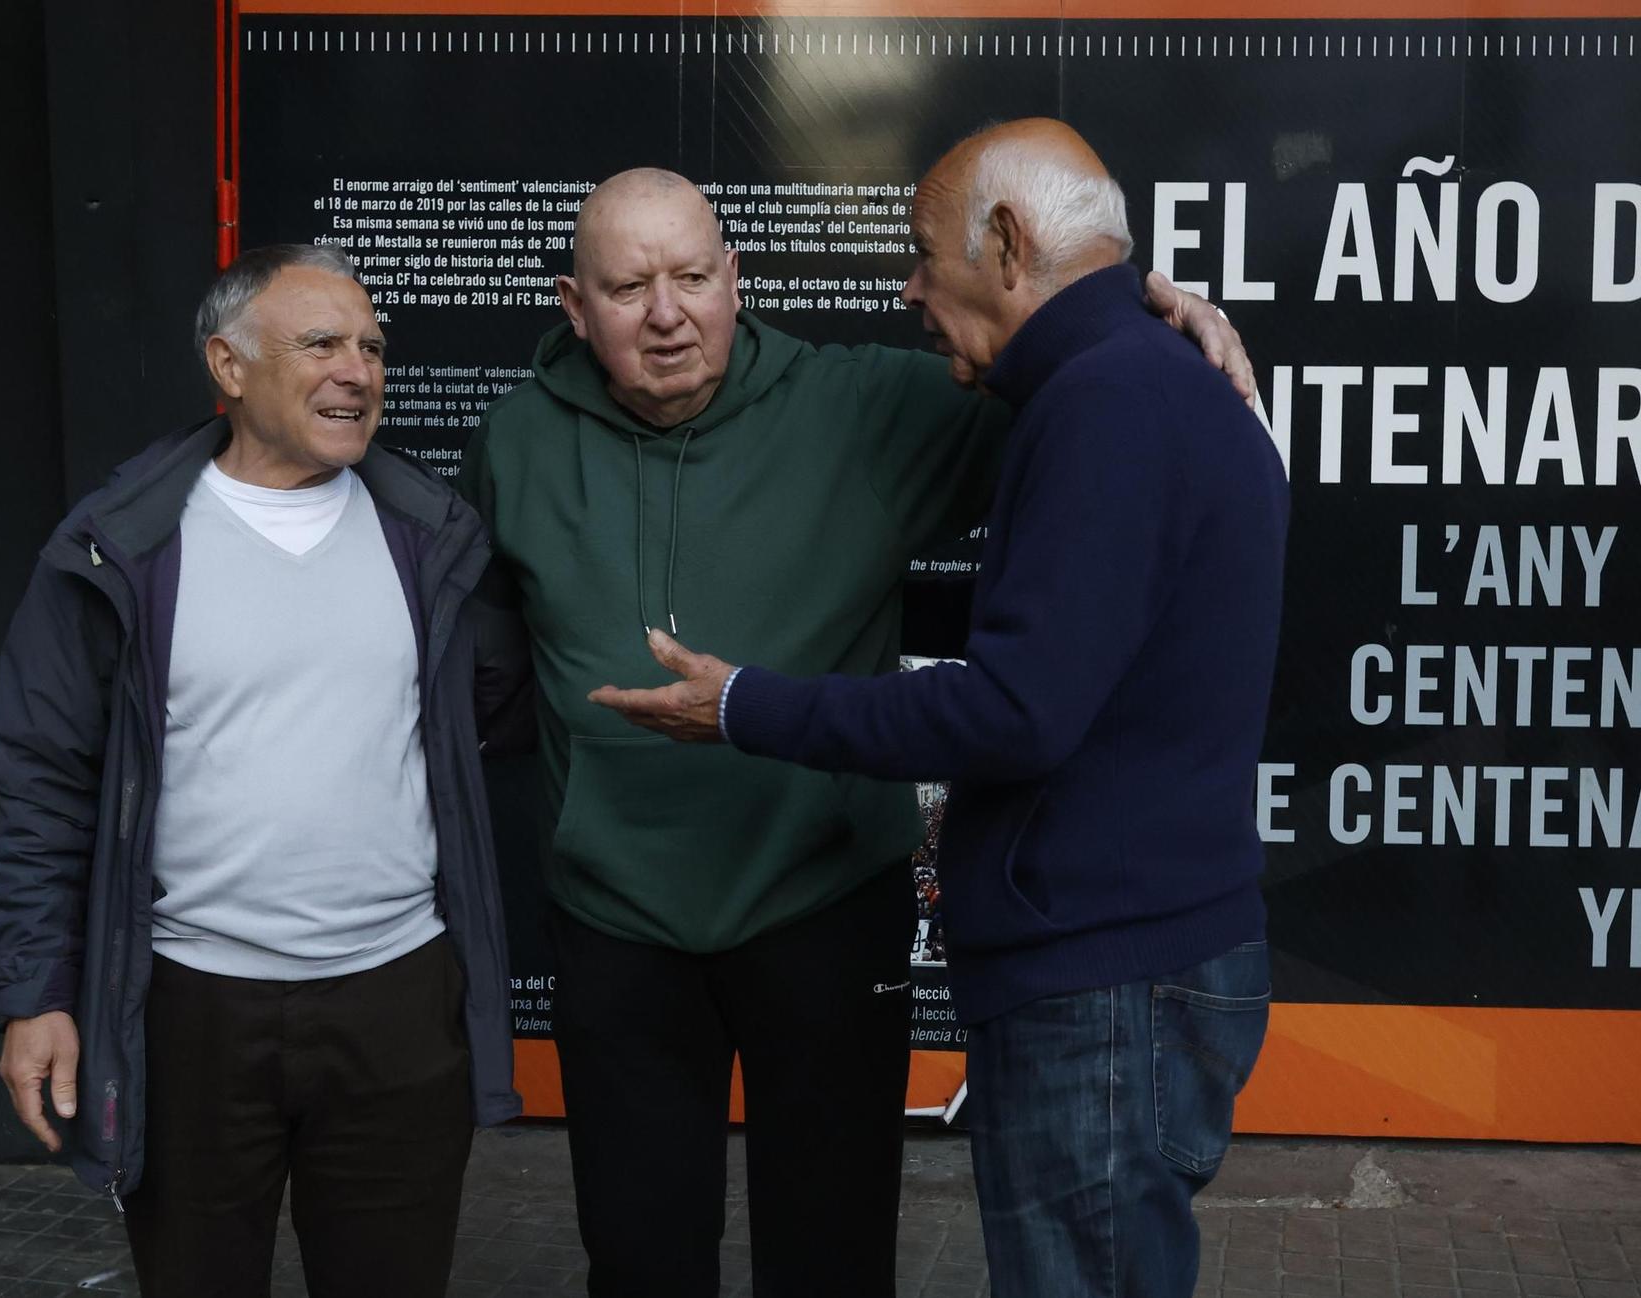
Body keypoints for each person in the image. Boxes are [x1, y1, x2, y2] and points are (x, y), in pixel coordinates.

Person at [459, 165, 1252, 1296]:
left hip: (820, 900)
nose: (668, 312)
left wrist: (1148, 308)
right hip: (614, 913)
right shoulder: (514, 443)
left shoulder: (868, 404)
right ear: (571, 305)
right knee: (636, 1260)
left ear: (737, 279)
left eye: (692, 276)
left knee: (830, 1259)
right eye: (628, 287)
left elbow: (1074, 377)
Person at [0, 243, 521, 1298]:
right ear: (227, 367)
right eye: (319, 343)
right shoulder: (118, 548)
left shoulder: (432, 537)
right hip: (190, 1008)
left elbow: (494, 716)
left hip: (397, 1003)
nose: (357, 370)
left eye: (370, 346)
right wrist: (36, 991)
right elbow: (41, 776)